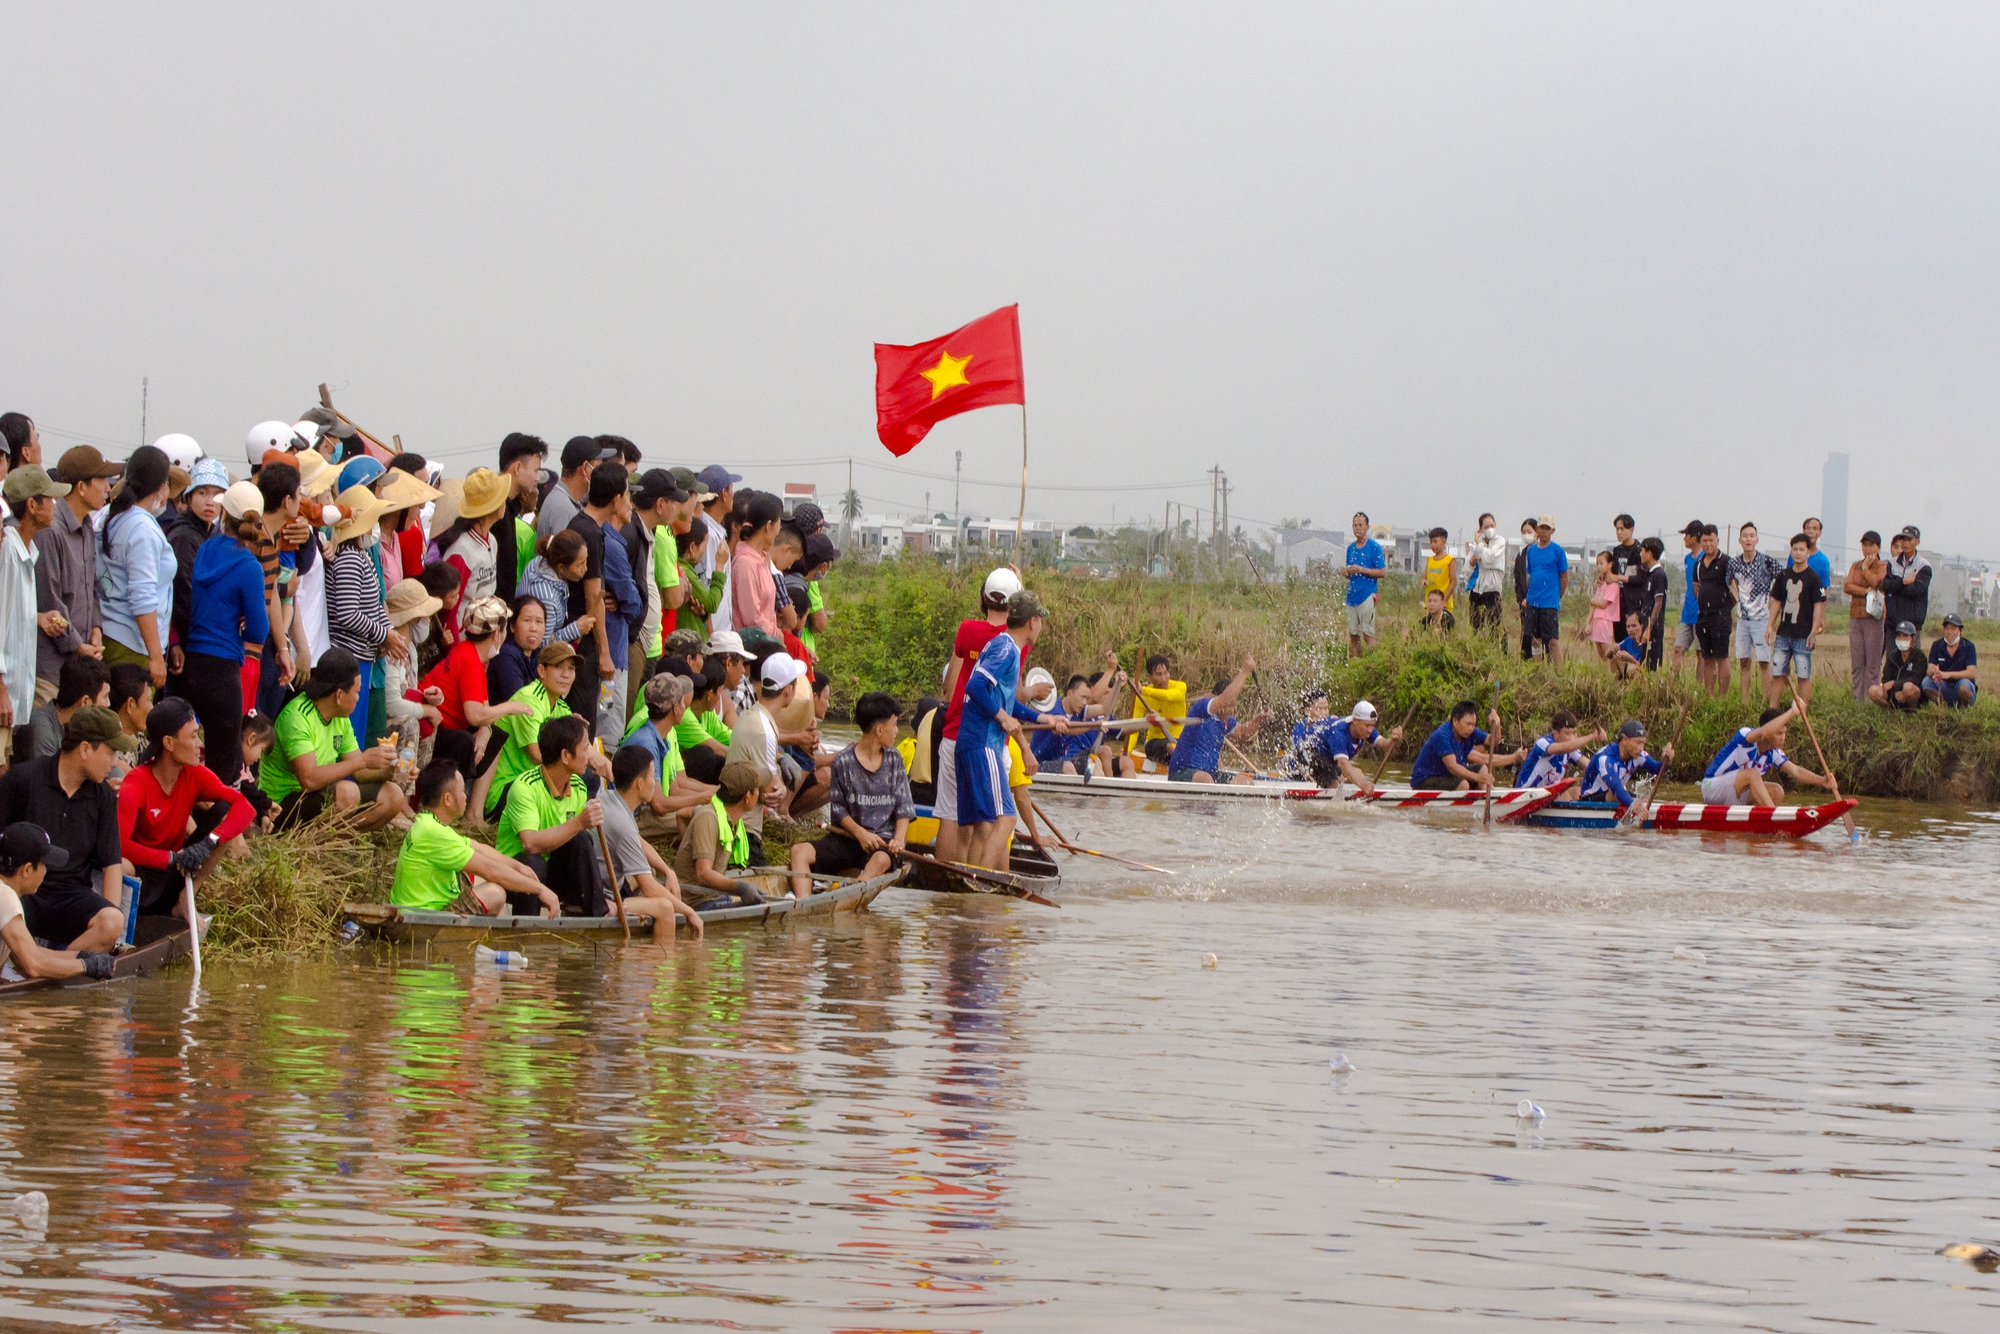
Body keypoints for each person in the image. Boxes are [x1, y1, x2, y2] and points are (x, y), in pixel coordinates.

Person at [0, 706, 137, 951]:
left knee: (112, 920)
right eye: (111, 751)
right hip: (24, 893)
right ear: (85, 749)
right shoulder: (23, 779)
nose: (114, 762)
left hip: (71, 896)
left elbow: (111, 865)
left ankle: (59, 967)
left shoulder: (102, 795)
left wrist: (111, 928)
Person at [957, 590, 1071, 870]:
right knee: (1006, 818)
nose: (1041, 626)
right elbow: (974, 688)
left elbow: (1005, 700)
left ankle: (969, 888)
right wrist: (1001, 718)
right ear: (1032, 622)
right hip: (983, 744)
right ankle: (982, 882)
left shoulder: (1004, 647)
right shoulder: (1007, 649)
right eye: (1040, 620)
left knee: (984, 825)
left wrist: (1042, 717)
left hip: (971, 742)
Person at [116, 697, 255, 916]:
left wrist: (208, 844)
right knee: (121, 865)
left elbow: (245, 808)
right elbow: (120, 844)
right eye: (193, 736)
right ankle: (121, 931)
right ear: (169, 743)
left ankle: (185, 901)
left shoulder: (195, 774)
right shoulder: (136, 782)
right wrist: (170, 858)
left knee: (222, 812)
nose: (200, 745)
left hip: (177, 871)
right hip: (143, 872)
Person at [258, 648, 409, 831]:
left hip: (317, 796)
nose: (358, 698)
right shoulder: (297, 717)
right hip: (280, 807)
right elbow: (309, 780)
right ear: (338, 695)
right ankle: (322, 844)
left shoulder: (341, 719)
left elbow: (360, 772)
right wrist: (362, 760)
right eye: (357, 692)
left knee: (393, 795)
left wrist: (392, 770)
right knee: (347, 792)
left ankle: (334, 842)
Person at [389, 759, 557, 917]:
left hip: (420, 910)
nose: (465, 797)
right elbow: (491, 869)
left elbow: (476, 846)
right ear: (447, 799)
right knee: (495, 892)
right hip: (421, 919)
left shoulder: (429, 822)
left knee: (478, 879)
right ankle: (482, 941)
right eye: (462, 791)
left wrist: (518, 867)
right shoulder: (433, 832)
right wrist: (540, 889)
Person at [934, 567, 1021, 861]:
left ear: (984, 596)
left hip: (954, 731)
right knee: (995, 821)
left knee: (950, 815)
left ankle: (947, 881)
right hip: (989, 741)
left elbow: (949, 688)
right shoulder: (1011, 639)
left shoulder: (967, 629)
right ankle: (991, 881)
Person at [790, 691, 912, 898]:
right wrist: (860, 834)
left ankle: (846, 894)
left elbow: (904, 807)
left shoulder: (894, 759)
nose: (896, 731)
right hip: (847, 839)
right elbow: (838, 809)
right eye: (894, 725)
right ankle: (802, 905)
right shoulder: (843, 761)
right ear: (879, 729)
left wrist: (898, 840)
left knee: (881, 861)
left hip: (882, 844)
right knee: (799, 852)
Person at [488, 713, 611, 915]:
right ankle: (528, 931)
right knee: (533, 861)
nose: (589, 756)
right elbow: (530, 843)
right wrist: (579, 822)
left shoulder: (579, 786)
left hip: (553, 873)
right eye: (584, 749)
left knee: (581, 839)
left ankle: (596, 913)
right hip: (515, 876)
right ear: (565, 756)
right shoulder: (524, 787)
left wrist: (579, 826)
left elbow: (574, 839)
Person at [36, 446, 123, 707]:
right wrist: (78, 645)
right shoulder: (50, 530)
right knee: (46, 744)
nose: (108, 488)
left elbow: (92, 588)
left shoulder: (86, 526)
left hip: (78, 667)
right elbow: (49, 601)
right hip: (50, 669)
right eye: (102, 480)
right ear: (81, 487)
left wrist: (95, 630)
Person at [422, 595, 532, 796]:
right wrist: (511, 706)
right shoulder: (470, 660)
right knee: (464, 741)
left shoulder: (471, 654)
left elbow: (483, 707)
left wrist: (485, 730)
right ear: (496, 633)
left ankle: (474, 810)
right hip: (433, 729)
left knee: (494, 734)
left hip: (442, 725)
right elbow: (474, 714)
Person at [0, 467, 66, 771]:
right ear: (31, 505)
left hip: (14, 696)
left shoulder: (27, 551)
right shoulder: (8, 552)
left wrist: (38, 618)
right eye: (49, 499)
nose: (54, 505)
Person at [600, 744, 704, 933]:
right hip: (602, 900)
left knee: (655, 888)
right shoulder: (621, 823)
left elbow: (638, 841)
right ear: (639, 783)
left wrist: (667, 870)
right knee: (665, 907)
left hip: (602, 890)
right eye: (652, 776)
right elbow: (649, 887)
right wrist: (690, 912)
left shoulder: (609, 799)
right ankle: (664, 960)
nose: (655, 784)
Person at [98, 444, 176, 692]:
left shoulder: (110, 514)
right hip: (132, 644)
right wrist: (155, 655)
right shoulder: (142, 528)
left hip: (110, 632)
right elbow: (142, 595)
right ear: (161, 487)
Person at [324, 484, 398, 746]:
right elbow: (348, 613)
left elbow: (376, 604)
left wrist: (387, 631)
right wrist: (384, 635)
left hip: (362, 656)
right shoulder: (349, 559)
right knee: (348, 736)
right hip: (350, 655)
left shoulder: (361, 555)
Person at [0, 824, 117, 982]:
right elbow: (33, 964)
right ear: (27, 870)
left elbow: (30, 954)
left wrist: (79, 956)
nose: (46, 871)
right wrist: (86, 967)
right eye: (44, 865)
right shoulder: (5, 897)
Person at [484, 640, 583, 820]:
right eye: (559, 666)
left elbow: (582, 752)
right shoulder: (529, 698)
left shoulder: (562, 707)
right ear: (541, 671)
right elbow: (536, 755)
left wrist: (606, 766)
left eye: (571, 669)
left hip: (532, 786)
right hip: (506, 789)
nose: (566, 674)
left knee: (585, 779)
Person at [563, 462, 628, 724]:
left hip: (579, 636)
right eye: (626, 494)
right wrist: (604, 652)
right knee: (586, 718)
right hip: (582, 641)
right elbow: (594, 596)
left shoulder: (584, 524)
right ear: (616, 499)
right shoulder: (589, 531)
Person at [672, 760, 768, 907]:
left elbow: (682, 814)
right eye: (757, 790)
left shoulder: (723, 814)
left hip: (715, 896)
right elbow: (703, 874)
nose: (759, 793)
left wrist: (691, 843)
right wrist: (741, 887)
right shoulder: (708, 817)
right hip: (695, 903)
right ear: (747, 796)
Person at [621, 672, 715, 819]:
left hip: (648, 812)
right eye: (683, 703)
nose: (686, 708)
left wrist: (712, 795)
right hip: (636, 817)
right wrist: (702, 799)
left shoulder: (659, 735)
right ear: (676, 708)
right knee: (704, 816)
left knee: (703, 811)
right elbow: (659, 806)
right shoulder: (646, 742)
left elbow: (674, 789)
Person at [1701, 704, 1836, 806]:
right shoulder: (1745, 735)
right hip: (1712, 787)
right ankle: (1773, 816)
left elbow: (1796, 771)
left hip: (1737, 796)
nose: (1783, 738)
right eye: (1779, 733)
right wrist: (1792, 711)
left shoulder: (1774, 753)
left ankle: (1758, 828)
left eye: (1784, 733)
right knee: (1753, 774)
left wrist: (1822, 780)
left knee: (1777, 791)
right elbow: (1763, 733)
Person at [430, 467, 509, 638]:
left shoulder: (491, 541)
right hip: (464, 638)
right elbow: (450, 606)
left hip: (483, 636)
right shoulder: (462, 549)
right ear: (491, 506)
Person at [1168, 659, 1265, 784]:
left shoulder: (1224, 720)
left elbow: (1242, 733)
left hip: (1209, 775)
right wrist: (1246, 671)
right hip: (1182, 772)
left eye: (1233, 705)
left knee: (1246, 782)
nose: (1232, 710)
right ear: (1217, 699)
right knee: (1206, 779)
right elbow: (1223, 700)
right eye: (1229, 705)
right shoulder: (1201, 708)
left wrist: (1260, 719)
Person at [1767, 532, 1827, 708]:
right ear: (1791, 551)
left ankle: (1802, 711)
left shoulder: (1814, 578)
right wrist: (1769, 626)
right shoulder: (1783, 575)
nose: (1798, 552)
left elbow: (1819, 606)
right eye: (1795, 549)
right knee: (1778, 672)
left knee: (1803, 674)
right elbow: (1777, 602)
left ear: (1808, 552)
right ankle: (1773, 709)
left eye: (1802, 549)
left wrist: (1814, 632)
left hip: (1804, 634)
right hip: (1784, 632)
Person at [1728, 522, 1782, 704]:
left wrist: (1771, 600)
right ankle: (1745, 701)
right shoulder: (1734, 563)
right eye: (1745, 536)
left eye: (1752, 536)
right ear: (1740, 540)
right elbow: (1729, 580)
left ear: (1757, 539)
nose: (1748, 539)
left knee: (1764, 662)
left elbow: (1781, 581)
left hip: (1761, 619)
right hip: (1743, 620)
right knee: (1744, 661)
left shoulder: (1767, 562)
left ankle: (1766, 700)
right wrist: (1738, 599)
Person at [1299, 699, 1401, 794]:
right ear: (1355, 720)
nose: (1370, 730)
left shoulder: (1366, 728)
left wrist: (1392, 740)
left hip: (1330, 757)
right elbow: (1343, 764)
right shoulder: (1338, 733)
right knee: (1335, 779)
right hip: (1310, 751)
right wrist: (1363, 786)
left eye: (1372, 725)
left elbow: (1385, 745)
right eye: (1367, 725)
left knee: (1356, 774)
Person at [1410, 701, 1517, 791]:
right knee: (1464, 785)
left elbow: (1493, 741)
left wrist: (1497, 724)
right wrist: (1478, 778)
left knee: (1482, 768)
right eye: (1468, 724)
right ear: (1455, 721)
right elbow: (1453, 767)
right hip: (1424, 779)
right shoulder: (1442, 736)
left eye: (1473, 725)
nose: (1471, 728)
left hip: (1446, 775)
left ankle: (1485, 799)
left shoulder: (1469, 733)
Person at [494, 433, 548, 601]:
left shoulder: (510, 508)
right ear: (517, 468)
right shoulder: (496, 510)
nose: (537, 478)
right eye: (535, 470)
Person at [535, 435, 612, 546]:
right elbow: (564, 558)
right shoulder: (563, 508)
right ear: (585, 468)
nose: (600, 473)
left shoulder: (564, 500)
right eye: (598, 467)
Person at [728, 490, 785, 637]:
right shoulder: (746, 564)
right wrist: (776, 634)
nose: (779, 529)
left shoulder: (761, 558)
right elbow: (751, 618)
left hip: (765, 640)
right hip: (753, 645)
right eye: (779, 523)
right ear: (768, 526)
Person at [28, 654, 107, 761]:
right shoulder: (41, 728)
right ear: (85, 701)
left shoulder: (75, 727)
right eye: (105, 697)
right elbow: (46, 776)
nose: (108, 704)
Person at [1578, 720, 1672, 809]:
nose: (1641, 748)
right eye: (1638, 742)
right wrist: (1634, 806)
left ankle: (1658, 806)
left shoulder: (1638, 755)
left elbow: (1657, 769)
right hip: (1589, 800)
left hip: (1615, 795)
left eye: (1643, 743)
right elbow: (1616, 788)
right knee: (1617, 795)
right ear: (1625, 740)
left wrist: (1667, 760)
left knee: (1641, 799)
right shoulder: (1606, 758)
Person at [694, 465, 741, 634]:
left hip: (722, 629)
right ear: (723, 493)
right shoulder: (708, 533)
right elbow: (706, 585)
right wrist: (710, 633)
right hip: (715, 632)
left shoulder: (716, 531)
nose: (732, 495)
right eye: (731, 489)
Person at [1843, 531, 1888, 703]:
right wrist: (1864, 591)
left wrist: (1866, 569)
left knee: (1873, 664)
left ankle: (1872, 701)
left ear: (1878, 547)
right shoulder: (1854, 565)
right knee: (1857, 663)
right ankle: (1857, 701)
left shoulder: (1882, 566)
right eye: (1865, 544)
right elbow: (1847, 586)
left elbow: (1877, 583)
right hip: (1856, 616)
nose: (1867, 548)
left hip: (1874, 618)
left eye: (1871, 545)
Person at [1125, 652, 1188, 775]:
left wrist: (1143, 690)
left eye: (1166, 673)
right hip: (1154, 743)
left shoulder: (1180, 687)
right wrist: (1127, 752)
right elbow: (1134, 727)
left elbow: (1168, 697)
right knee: (1170, 747)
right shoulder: (1141, 698)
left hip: (1180, 740)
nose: (1164, 678)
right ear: (1149, 676)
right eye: (1159, 674)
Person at [1517, 710, 1604, 791]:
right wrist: (1592, 736)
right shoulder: (1542, 743)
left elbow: (1589, 765)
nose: (1572, 738)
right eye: (1568, 733)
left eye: (1574, 733)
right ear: (1556, 734)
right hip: (1526, 793)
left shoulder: (1571, 751)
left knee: (1577, 791)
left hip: (1548, 795)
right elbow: (1564, 748)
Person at [1521, 516, 1568, 666]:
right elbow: (1532, 574)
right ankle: (1537, 670)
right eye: (1541, 527)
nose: (1544, 531)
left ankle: (1559, 672)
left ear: (1552, 530)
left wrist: (1556, 597)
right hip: (1533, 601)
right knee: (1535, 639)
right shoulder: (1531, 551)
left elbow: (1564, 577)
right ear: (1537, 530)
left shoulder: (1557, 551)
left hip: (1549, 603)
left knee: (1553, 640)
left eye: (1547, 528)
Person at [1691, 523, 1732, 695]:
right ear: (1701, 541)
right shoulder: (1698, 564)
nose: (1708, 544)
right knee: (1707, 658)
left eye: (1711, 540)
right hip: (1703, 616)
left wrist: (1724, 606)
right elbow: (1696, 588)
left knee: (1722, 657)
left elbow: (1734, 590)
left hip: (1721, 616)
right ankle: (1710, 695)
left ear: (1718, 540)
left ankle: (1722, 697)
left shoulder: (1726, 562)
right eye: (1705, 541)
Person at [489, 595, 545, 707]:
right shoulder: (506, 655)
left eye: (539, 621)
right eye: (527, 620)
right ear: (512, 626)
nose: (533, 628)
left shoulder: (537, 654)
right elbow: (520, 704)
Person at [1340, 512, 1385, 652]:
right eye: (1355, 525)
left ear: (1367, 527)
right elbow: (1351, 574)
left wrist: (1361, 569)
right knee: (1353, 635)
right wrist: (1346, 572)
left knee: (1367, 634)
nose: (1357, 528)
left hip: (1367, 594)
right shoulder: (1351, 549)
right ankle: (1355, 664)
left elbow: (1382, 572)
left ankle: (1375, 662)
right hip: (1352, 596)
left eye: (1360, 525)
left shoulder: (1374, 547)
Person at [1881, 527, 1932, 639]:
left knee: (1912, 656)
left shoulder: (1923, 565)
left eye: (1909, 539)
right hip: (1892, 623)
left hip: (1913, 624)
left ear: (1917, 541)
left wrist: (1896, 586)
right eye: (1904, 539)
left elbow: (1916, 591)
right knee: (1892, 656)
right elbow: (1885, 586)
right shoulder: (1891, 563)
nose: (1906, 543)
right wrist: (1903, 581)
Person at [1670, 519, 1704, 675]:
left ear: (1695, 537)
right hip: (1687, 611)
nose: (1684, 539)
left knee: (1701, 653)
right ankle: (1672, 684)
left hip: (1701, 613)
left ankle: (1701, 687)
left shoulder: (1705, 558)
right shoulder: (1687, 559)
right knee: (1678, 649)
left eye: (1687, 535)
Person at [1870, 622, 1928, 710]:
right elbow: (1886, 679)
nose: (1902, 639)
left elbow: (1916, 679)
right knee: (1873, 690)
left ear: (1913, 638)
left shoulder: (1919, 657)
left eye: (1905, 636)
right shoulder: (1892, 656)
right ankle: (1890, 710)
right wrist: (1895, 691)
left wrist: (1895, 684)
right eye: (1899, 636)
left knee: (1908, 687)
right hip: (1894, 694)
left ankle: (1913, 711)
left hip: (1912, 693)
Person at [1465, 514, 1507, 639]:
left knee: (1496, 628)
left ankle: (1501, 654)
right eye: (1486, 526)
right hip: (1477, 592)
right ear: (1480, 529)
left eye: (1492, 526)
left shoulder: (1500, 541)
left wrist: (1479, 544)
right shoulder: (1475, 545)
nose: (1489, 529)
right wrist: (1472, 562)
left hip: (1492, 592)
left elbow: (1490, 559)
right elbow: (1466, 571)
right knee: (1476, 629)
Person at [1924, 614, 1978, 708]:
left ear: (1960, 630)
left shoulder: (1969, 646)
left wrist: (1947, 674)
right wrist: (1936, 673)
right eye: (1946, 628)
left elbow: (1971, 673)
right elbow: (1930, 669)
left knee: (1964, 685)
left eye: (1953, 629)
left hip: (1961, 684)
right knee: (1926, 682)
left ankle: (1964, 710)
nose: (1949, 632)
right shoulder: (1937, 645)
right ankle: (1942, 707)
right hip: (1944, 685)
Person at [1634, 536, 1669, 670]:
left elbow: (1658, 603)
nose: (1640, 554)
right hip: (1646, 624)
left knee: (1652, 661)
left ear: (1649, 553)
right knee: (1643, 659)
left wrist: (1649, 628)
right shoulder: (1649, 574)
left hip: (1654, 628)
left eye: (1642, 551)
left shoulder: (1659, 575)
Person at [1511, 517, 1539, 661]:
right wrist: (1521, 599)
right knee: (1526, 634)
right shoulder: (1521, 556)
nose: (1526, 534)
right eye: (1523, 532)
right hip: (1524, 604)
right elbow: (1517, 581)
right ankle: (1526, 661)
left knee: (1539, 636)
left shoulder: (1541, 552)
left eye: (1529, 531)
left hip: (1539, 601)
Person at [1609, 514, 1643, 630]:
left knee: (1633, 638)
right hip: (1618, 602)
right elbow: (1612, 573)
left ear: (1631, 529)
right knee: (1619, 640)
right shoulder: (1617, 551)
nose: (1619, 532)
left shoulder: (1639, 551)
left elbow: (1641, 578)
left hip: (1633, 603)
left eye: (1622, 529)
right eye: (1617, 529)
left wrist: (1620, 578)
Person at [1586, 550, 1619, 661]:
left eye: (1601, 564)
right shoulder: (1601, 584)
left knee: (1607, 650)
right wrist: (1588, 622)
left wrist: (1593, 601)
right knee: (1600, 649)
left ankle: (1613, 672)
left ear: (1610, 565)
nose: (1599, 567)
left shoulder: (1613, 585)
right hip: (1597, 619)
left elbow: (1603, 603)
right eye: (1597, 564)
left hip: (1605, 619)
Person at [1420, 528, 1457, 615]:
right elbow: (1424, 577)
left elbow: (1453, 582)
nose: (1433, 545)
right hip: (1431, 603)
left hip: (1444, 604)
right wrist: (1423, 581)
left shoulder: (1450, 560)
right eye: (1431, 542)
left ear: (1443, 541)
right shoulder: (1430, 560)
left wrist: (1444, 601)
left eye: (1435, 542)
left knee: (1443, 626)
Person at [1609, 613, 1647, 678]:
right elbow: (1607, 654)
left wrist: (1630, 659)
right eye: (1628, 627)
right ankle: (1617, 683)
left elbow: (1645, 666)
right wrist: (1612, 648)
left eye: (1634, 626)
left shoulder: (1648, 643)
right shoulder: (1628, 640)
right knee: (1614, 657)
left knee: (1631, 668)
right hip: (1628, 671)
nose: (1631, 629)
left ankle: (1636, 687)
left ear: (1641, 626)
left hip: (1643, 674)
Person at [1801, 517, 1832, 590]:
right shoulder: (1794, 556)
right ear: (1804, 531)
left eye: (1815, 529)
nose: (1811, 531)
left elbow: (1824, 589)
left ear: (1820, 533)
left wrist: (1822, 599)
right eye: (1808, 528)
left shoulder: (1823, 560)